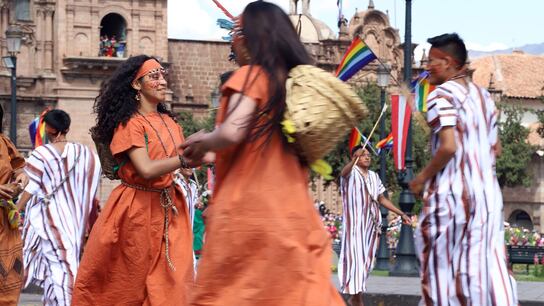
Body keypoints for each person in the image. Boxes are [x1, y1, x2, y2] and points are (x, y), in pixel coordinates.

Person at [181, 2, 344, 305]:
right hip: (294, 215)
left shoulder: (251, 76)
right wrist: (212, 154)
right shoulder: (289, 85)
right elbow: (260, 150)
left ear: (249, 37)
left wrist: (204, 141)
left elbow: (232, 132)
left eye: (236, 32)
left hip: (251, 213)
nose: (233, 40)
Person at [72, 55, 194, 305]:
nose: (162, 81)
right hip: (135, 211)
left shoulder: (172, 123)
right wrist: (185, 160)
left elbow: (179, 164)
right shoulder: (129, 124)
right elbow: (147, 169)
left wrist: (192, 163)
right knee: (129, 286)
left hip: (170, 210)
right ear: (136, 85)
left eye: (162, 74)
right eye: (154, 76)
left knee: (175, 282)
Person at [409, 33, 518, 306]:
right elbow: (497, 149)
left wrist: (421, 178)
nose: (427, 67)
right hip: (488, 198)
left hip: (451, 197)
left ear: (447, 62)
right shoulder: (484, 98)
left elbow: (448, 146)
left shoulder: (440, 96)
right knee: (484, 266)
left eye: (432, 61)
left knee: (440, 269)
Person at [17, 109, 101, 306]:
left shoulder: (42, 153)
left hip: (48, 220)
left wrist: (16, 209)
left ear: (50, 129)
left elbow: (30, 186)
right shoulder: (88, 154)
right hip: (74, 221)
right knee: (57, 269)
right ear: (67, 128)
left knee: (62, 270)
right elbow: (92, 188)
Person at [338, 146, 410, 306]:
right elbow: (343, 172)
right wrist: (352, 161)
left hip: (371, 223)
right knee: (355, 258)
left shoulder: (374, 176)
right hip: (354, 224)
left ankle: (356, 296)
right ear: (355, 157)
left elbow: (382, 199)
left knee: (367, 261)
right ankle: (356, 297)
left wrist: (401, 213)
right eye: (363, 155)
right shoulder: (350, 173)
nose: (367, 157)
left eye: (368, 155)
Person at [0, 104, 29, 305]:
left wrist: (20, 180)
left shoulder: (3, 142)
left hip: (4, 222)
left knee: (7, 281)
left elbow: (18, 168)